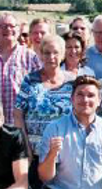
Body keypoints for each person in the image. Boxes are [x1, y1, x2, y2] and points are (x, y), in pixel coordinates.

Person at [14, 35, 76, 165]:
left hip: (66, 153)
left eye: (55, 52)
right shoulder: (30, 80)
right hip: (35, 153)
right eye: (47, 53)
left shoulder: (72, 81)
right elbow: (18, 114)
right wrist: (26, 148)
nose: (51, 57)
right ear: (41, 55)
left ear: (62, 55)